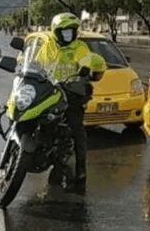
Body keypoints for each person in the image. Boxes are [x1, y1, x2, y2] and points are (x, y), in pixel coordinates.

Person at [36, 12, 93, 183]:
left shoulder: (79, 47)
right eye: (64, 30)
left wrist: (84, 69)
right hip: (50, 91)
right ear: (56, 32)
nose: (68, 34)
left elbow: (85, 60)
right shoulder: (48, 46)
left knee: (77, 129)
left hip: (72, 92)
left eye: (71, 30)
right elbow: (38, 63)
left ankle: (81, 168)